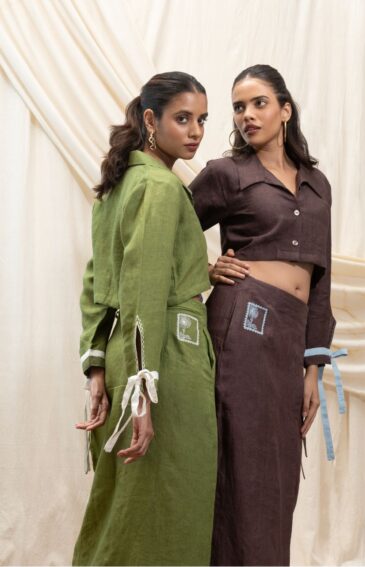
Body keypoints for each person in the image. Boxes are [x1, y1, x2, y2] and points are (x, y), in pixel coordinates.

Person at [190, 64, 345, 566]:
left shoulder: (317, 185)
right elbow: (169, 227)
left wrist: (313, 366)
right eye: (239, 107)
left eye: (259, 103)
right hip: (242, 323)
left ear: (285, 109)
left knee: (277, 468)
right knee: (241, 462)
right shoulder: (228, 173)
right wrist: (205, 268)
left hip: (290, 334)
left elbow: (320, 280)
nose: (247, 115)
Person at [73, 72, 217, 566]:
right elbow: (144, 290)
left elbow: (99, 281)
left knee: (126, 506)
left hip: (125, 352)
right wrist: (142, 392)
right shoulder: (159, 186)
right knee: (171, 503)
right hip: (164, 361)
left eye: (202, 120)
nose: (195, 132)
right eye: (183, 119)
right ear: (151, 120)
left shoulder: (118, 186)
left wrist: (97, 369)